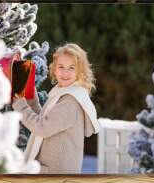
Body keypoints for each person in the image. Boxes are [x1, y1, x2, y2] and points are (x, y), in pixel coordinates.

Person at [12, 43, 100, 174]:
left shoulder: (71, 101)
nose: (65, 72)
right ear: (54, 69)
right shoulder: (63, 92)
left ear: (80, 71)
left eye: (71, 68)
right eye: (61, 67)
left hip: (55, 174)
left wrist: (21, 106)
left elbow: (42, 128)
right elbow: (46, 120)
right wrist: (30, 96)